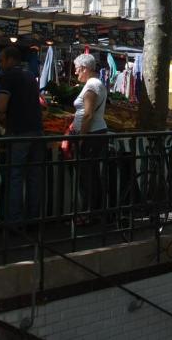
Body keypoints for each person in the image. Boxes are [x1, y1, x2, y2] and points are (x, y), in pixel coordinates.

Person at [0, 46, 44, 225]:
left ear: (9, 59)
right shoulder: (30, 75)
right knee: (34, 176)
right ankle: (34, 218)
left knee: (15, 176)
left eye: (1, 60)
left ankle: (14, 220)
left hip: (19, 132)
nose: (0, 63)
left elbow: (1, 107)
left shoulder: (9, 77)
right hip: (37, 131)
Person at [72, 52, 109, 222]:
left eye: (77, 69)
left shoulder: (92, 85)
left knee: (88, 176)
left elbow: (88, 115)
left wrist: (81, 137)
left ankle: (89, 214)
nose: (75, 73)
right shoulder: (95, 83)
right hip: (95, 133)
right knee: (91, 175)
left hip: (92, 135)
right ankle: (93, 212)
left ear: (85, 68)